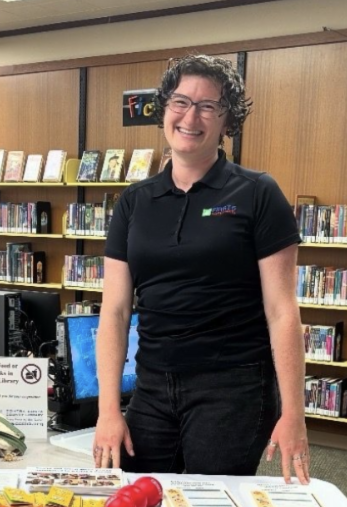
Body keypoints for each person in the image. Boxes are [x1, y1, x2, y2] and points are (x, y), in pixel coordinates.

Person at [93, 54, 310, 483]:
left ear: (228, 120)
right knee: (134, 501)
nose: (191, 117)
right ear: (164, 109)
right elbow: (114, 312)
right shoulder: (134, 202)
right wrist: (108, 410)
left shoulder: (257, 193)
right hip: (152, 385)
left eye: (208, 106)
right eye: (181, 102)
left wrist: (294, 414)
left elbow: (282, 311)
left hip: (233, 388)